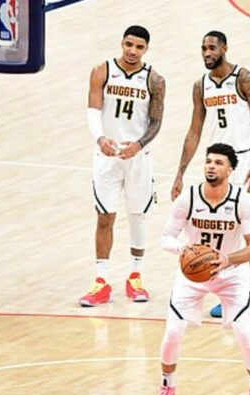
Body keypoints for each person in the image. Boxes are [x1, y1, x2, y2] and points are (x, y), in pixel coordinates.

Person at [151, 143, 250, 395]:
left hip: (231, 274)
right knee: (172, 331)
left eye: (218, 162)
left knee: (243, 331)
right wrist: (185, 250)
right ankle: (167, 386)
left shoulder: (242, 201)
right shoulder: (188, 198)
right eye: (208, 161)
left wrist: (227, 259)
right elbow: (165, 238)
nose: (211, 166)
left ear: (230, 169)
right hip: (193, 275)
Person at [170, 30, 250, 322]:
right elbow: (194, 131)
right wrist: (180, 172)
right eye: (203, 48)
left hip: (245, 162)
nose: (207, 52)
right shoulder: (200, 86)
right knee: (224, 229)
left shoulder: (244, 79)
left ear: (224, 48)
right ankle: (233, 294)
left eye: (212, 47)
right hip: (217, 163)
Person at [80, 25, 166, 307]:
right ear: (122, 43)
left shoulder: (154, 79)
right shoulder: (101, 71)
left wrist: (139, 145)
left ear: (146, 49)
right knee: (105, 216)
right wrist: (100, 138)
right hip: (108, 155)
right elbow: (93, 110)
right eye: (129, 44)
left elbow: (155, 122)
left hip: (138, 156)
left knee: (138, 215)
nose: (132, 51)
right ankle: (101, 281)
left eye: (139, 47)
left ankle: (135, 276)